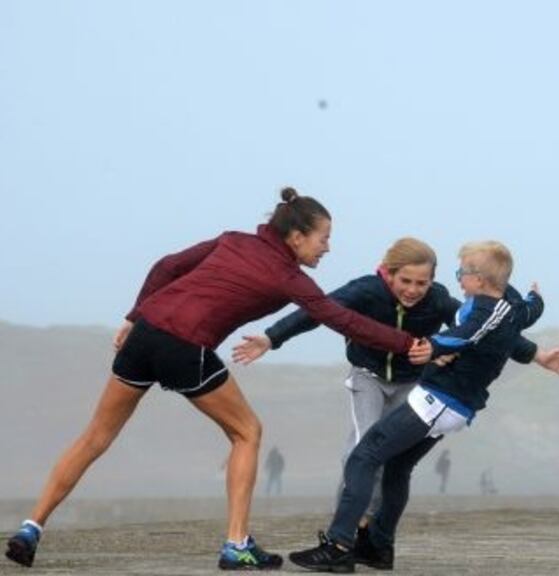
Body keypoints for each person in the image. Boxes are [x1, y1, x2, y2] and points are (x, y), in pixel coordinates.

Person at [4, 188, 431, 570]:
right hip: (184, 347)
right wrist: (407, 341)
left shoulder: (233, 240)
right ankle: (236, 545)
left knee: (94, 437)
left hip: (146, 334)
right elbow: (342, 320)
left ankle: (30, 528)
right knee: (247, 432)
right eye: (324, 238)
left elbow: (165, 266)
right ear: (296, 237)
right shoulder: (289, 277)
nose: (328, 248)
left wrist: (135, 316)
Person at [231, 237, 559, 542]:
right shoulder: (366, 290)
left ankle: (367, 531)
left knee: (391, 460)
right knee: (363, 447)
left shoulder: (439, 300)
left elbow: (489, 331)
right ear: (387, 273)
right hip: (368, 376)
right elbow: (318, 311)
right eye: (405, 281)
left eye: (422, 283)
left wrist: (537, 355)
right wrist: (271, 338)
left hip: (412, 381)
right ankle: (347, 531)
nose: (413, 290)